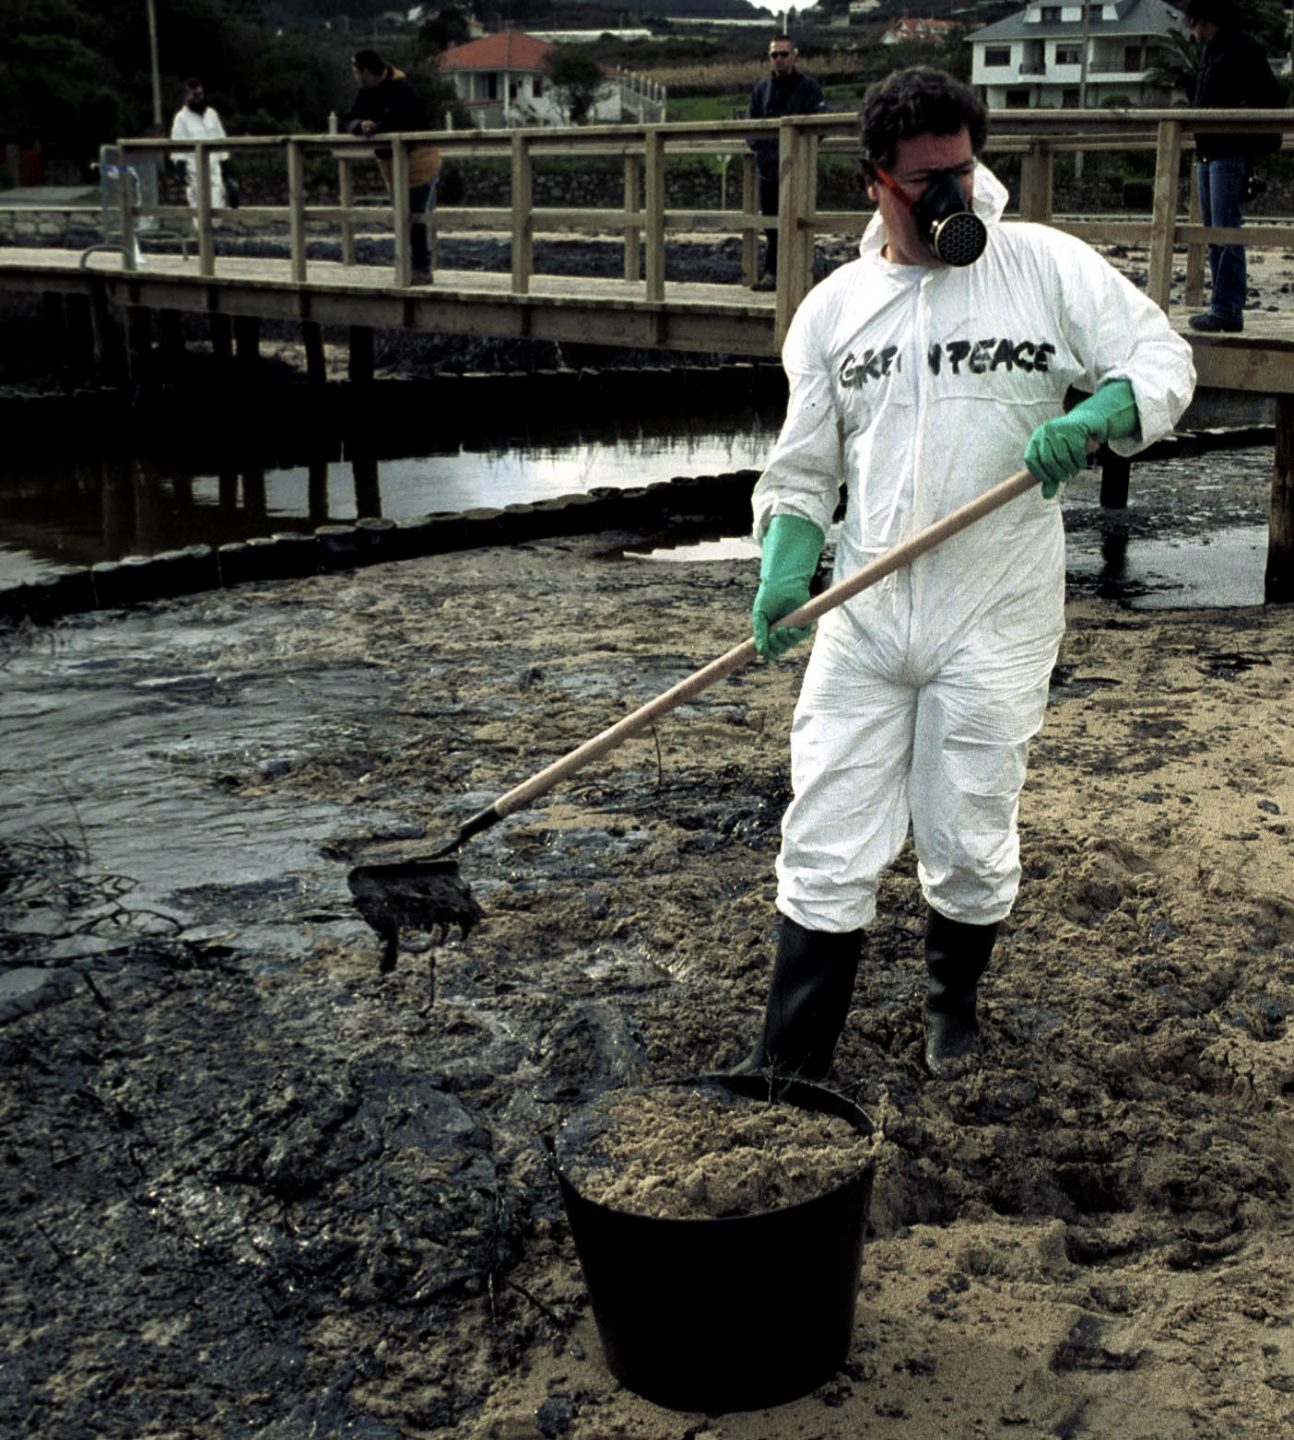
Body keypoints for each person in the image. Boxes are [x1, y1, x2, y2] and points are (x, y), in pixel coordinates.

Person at [741, 68, 1195, 1081]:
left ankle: (951, 1011)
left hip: (993, 613)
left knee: (968, 831)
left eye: (961, 172)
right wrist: (783, 568)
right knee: (823, 831)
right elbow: (803, 469)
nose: (951, 198)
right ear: (874, 182)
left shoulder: (1040, 267)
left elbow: (1161, 358)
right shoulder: (832, 311)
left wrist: (1095, 416)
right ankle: (790, 1061)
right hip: (862, 614)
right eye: (924, 182)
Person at [1185, 0, 1284, 333]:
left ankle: (1228, 307)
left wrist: (1245, 112)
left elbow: (1272, 94)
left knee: (1227, 230)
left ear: (1206, 19)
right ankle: (1221, 305)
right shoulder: (1209, 51)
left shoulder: (1242, 47)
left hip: (1229, 150)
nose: (1192, 30)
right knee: (1214, 233)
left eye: (1194, 21)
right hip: (1207, 149)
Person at [345, 49, 442, 286]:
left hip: (419, 161)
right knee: (403, 217)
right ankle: (408, 265)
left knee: (415, 217)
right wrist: (361, 126)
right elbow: (349, 117)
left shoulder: (402, 88)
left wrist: (376, 126)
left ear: (366, 72)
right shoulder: (367, 92)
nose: (355, 77)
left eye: (356, 72)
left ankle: (421, 268)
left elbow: (403, 121)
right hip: (393, 165)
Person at [746, 35, 825, 291]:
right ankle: (772, 274)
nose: (778, 59)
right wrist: (764, 148)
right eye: (774, 55)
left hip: (798, 166)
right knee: (771, 224)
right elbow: (751, 127)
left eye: (783, 54)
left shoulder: (809, 87)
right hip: (768, 167)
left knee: (800, 222)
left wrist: (798, 150)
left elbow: (820, 124)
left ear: (794, 55)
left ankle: (800, 276)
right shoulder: (761, 88)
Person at [170, 78, 228, 217]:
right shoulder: (181, 118)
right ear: (186, 96)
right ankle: (201, 238)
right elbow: (178, 147)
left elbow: (222, 141)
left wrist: (226, 167)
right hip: (194, 174)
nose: (198, 99)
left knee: (217, 212)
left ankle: (213, 236)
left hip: (214, 172)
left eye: (200, 95)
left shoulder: (212, 114)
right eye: (194, 95)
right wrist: (180, 168)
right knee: (199, 214)